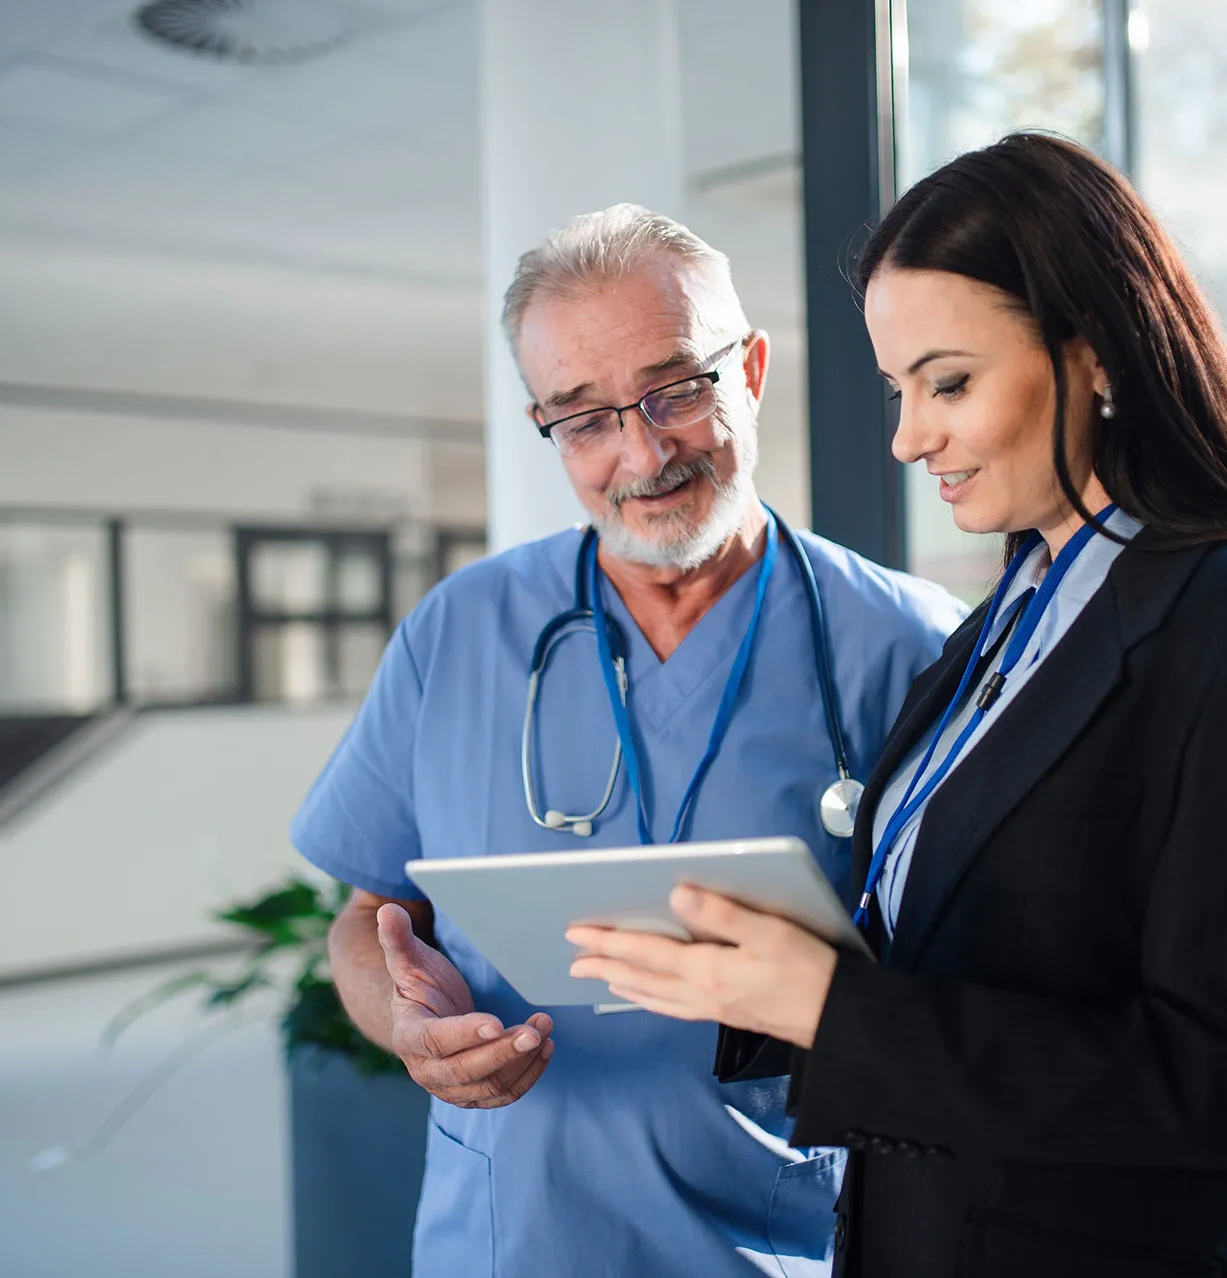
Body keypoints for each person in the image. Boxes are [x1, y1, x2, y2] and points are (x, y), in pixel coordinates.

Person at [567, 134, 1227, 1277]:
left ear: (1099, 356)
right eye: (898, 389)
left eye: (950, 383)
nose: (908, 436)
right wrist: (770, 969)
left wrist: (837, 1009)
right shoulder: (1006, 623)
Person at [290, 204, 965, 1277]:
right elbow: (368, 916)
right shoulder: (458, 633)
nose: (641, 453)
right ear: (546, 427)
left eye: (677, 391)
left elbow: (973, 984)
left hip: (787, 1237)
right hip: (509, 1239)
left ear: (749, 367)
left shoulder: (906, 644)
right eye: (585, 419)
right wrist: (406, 1026)